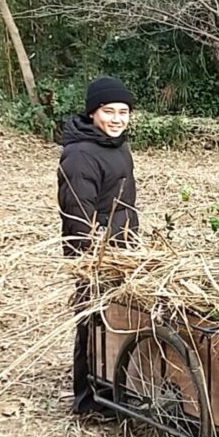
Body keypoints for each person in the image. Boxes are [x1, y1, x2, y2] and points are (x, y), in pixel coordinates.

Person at [57, 76, 138, 415]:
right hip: (96, 255)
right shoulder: (79, 156)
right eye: (109, 111)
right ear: (93, 112)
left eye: (123, 111)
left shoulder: (115, 146)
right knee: (92, 321)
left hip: (123, 248)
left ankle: (113, 388)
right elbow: (77, 213)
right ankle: (88, 399)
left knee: (118, 319)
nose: (117, 119)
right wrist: (92, 258)